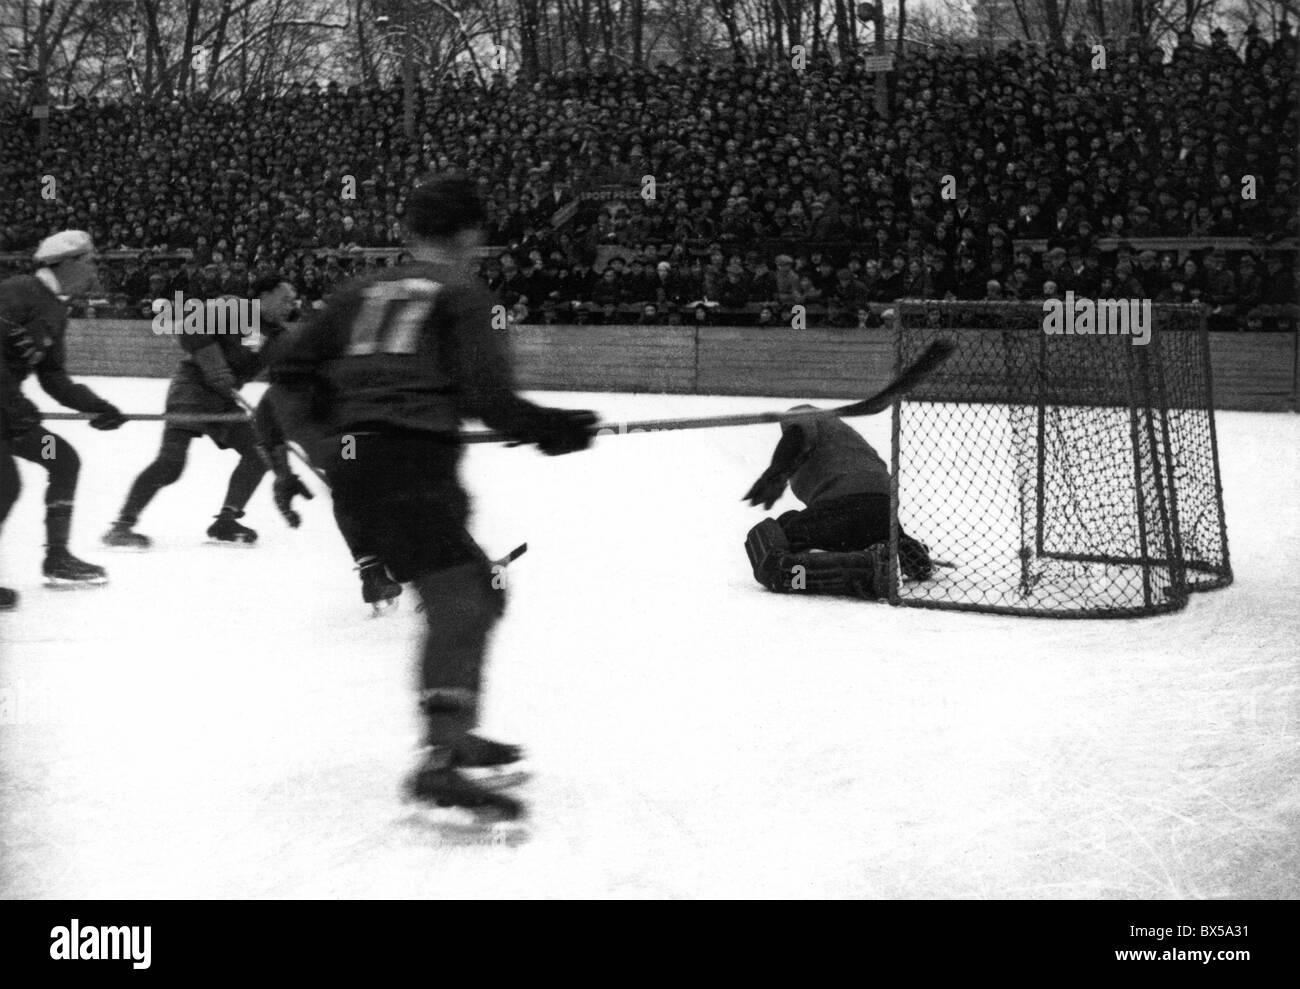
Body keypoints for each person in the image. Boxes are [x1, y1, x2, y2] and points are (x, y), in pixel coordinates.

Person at [268, 175, 597, 820]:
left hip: (377, 469)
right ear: (473, 233)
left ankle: (455, 733)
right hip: (409, 466)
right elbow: (487, 398)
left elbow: (287, 370)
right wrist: (554, 428)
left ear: (408, 231)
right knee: (465, 602)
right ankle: (440, 760)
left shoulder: (354, 291)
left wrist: (332, 444)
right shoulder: (461, 294)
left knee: (480, 591)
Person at [103, 276, 298, 548]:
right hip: (192, 389)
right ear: (264, 295)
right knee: (171, 465)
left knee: (258, 454)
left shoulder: (280, 337)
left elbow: (289, 379)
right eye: (285, 298)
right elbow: (191, 329)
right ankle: (121, 526)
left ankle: (226, 521)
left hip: (225, 399)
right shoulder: (233, 307)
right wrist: (215, 366)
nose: (291, 305)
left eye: (293, 301)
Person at [0, 231, 125, 588]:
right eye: (91, 261)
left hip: (10, 420)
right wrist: (12, 403)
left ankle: (57, 557)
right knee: (5, 486)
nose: (95, 269)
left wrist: (96, 406)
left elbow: (53, 376)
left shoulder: (56, 310)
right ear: (67, 262)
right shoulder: (18, 291)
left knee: (61, 458)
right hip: (8, 414)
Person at [743, 406, 932, 598]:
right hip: (882, 511)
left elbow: (798, 431)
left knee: (773, 555)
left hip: (844, 505)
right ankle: (905, 551)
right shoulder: (842, 435)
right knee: (787, 521)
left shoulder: (802, 417)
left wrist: (776, 473)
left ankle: (866, 570)